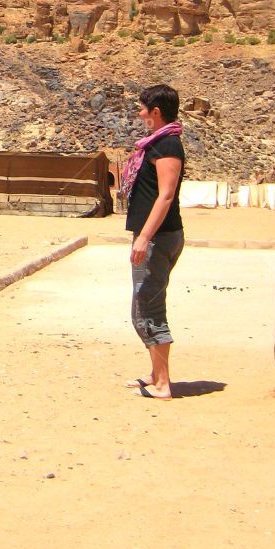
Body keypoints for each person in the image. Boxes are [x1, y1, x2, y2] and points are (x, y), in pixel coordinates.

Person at [120, 84, 185, 399]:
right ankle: (156, 372)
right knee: (143, 303)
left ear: (155, 112)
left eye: (143, 108)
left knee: (148, 305)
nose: (140, 113)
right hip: (155, 235)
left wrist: (145, 237)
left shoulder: (167, 146)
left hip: (159, 237)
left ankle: (163, 384)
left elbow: (166, 194)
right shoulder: (158, 144)